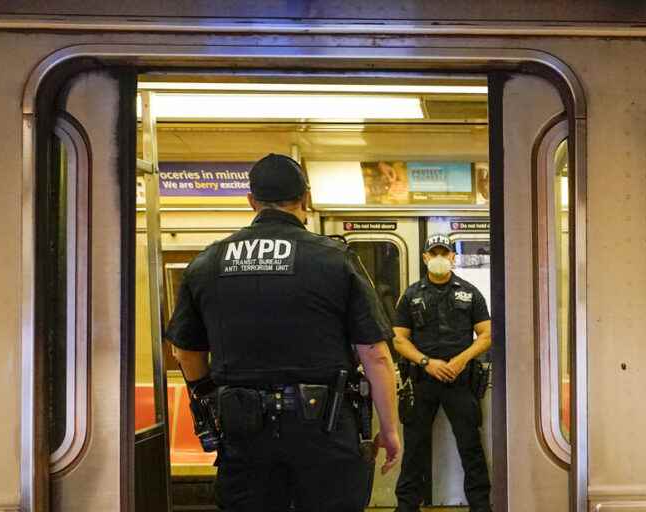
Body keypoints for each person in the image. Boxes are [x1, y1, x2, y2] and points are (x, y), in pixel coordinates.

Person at [165, 153, 402, 512]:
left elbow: (185, 352)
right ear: (305, 199)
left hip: (243, 429)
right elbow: (375, 353)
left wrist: (208, 400)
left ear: (251, 201)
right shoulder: (334, 259)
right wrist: (389, 428)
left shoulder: (207, 262)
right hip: (324, 428)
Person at [392, 233, 492, 512]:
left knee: (471, 447)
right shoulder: (411, 295)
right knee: (414, 449)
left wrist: (461, 360)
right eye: (433, 253)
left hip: (459, 380)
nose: (439, 258)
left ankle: (481, 506)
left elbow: (486, 334)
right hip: (422, 379)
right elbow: (399, 339)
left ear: (452, 257)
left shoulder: (470, 292)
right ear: (425, 258)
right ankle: (407, 506)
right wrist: (427, 362)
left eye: (444, 253)